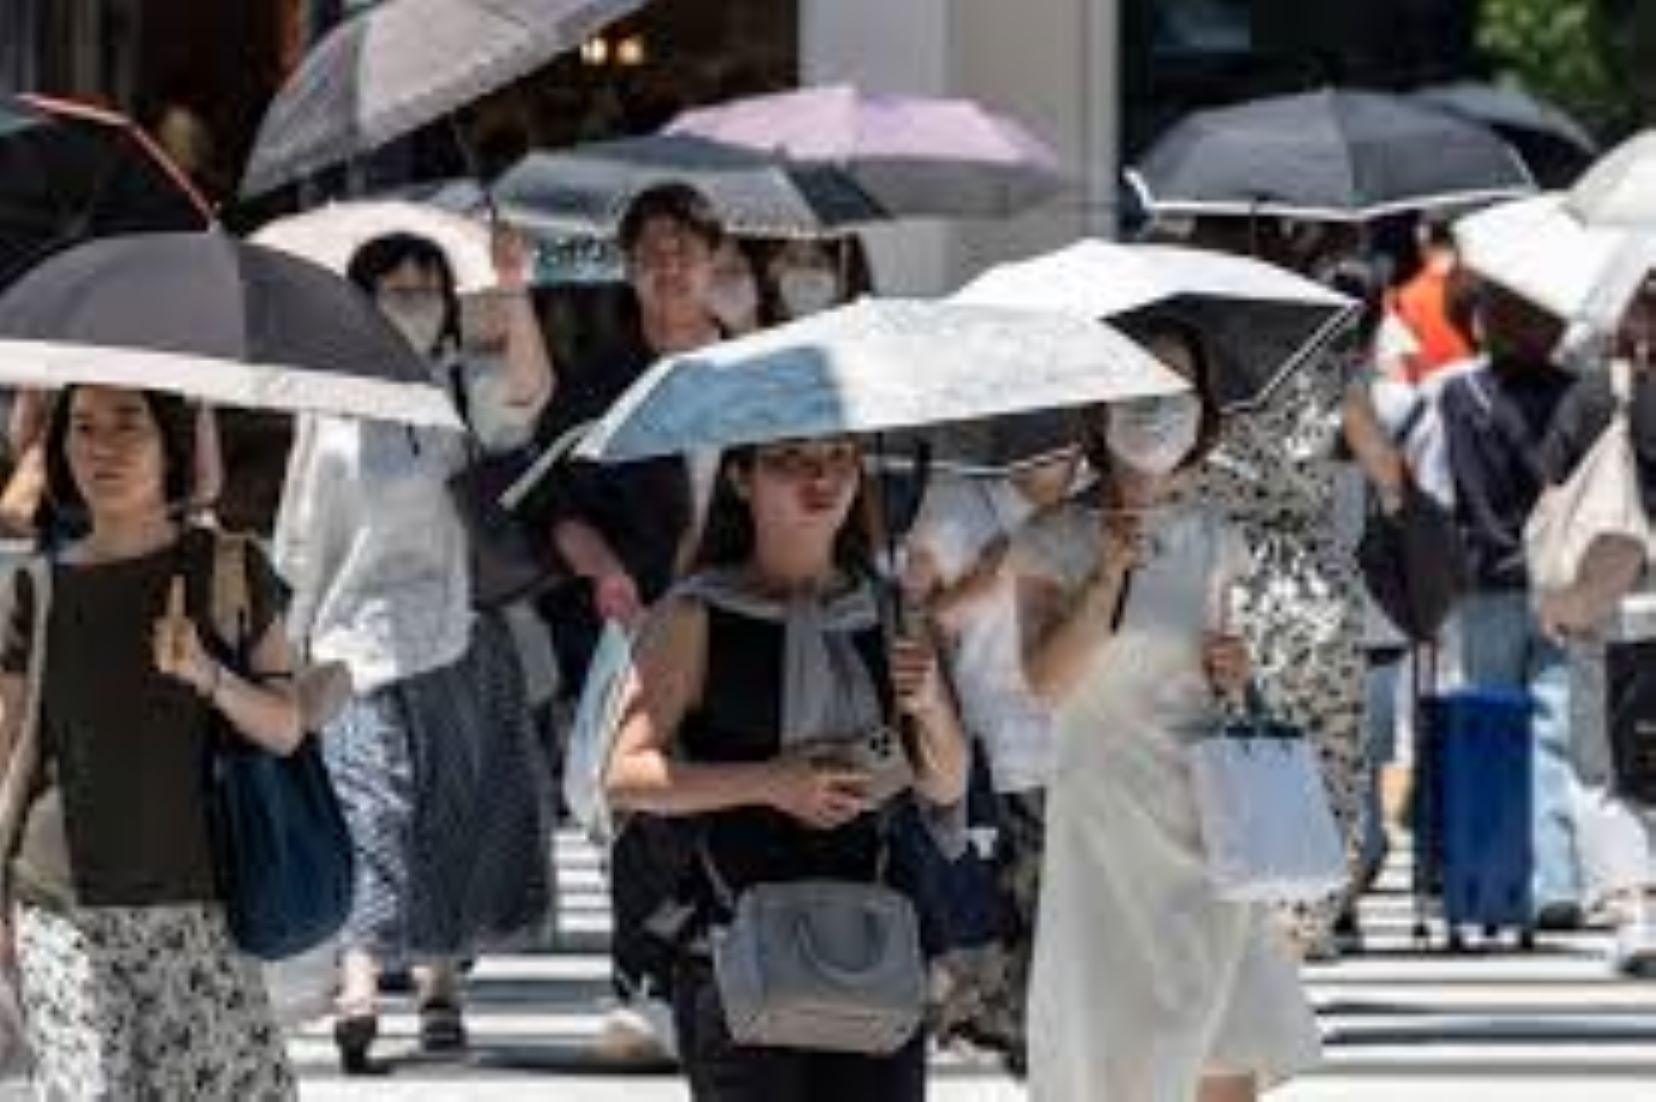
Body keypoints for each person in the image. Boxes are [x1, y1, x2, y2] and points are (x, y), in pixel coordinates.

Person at [604, 434, 969, 1101]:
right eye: (789, 459)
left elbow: (944, 784)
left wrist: (932, 705)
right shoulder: (696, 613)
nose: (820, 476)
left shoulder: (890, 612)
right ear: (741, 479)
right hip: (737, 946)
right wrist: (773, 782)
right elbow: (625, 774)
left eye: (838, 457)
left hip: (873, 941)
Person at [1017, 318, 1321, 1102]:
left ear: (1202, 415)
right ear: (1100, 409)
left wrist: (1235, 674)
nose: (1156, 411)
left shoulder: (1216, 540)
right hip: (1105, 833)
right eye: (1136, 390)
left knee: (1222, 1051)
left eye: (1176, 392)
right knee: (1120, 1055)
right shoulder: (1052, 538)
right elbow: (1047, 685)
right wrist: (1106, 575)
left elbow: (1224, 681)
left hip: (1208, 822)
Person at [274, 227, 555, 1072]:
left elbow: (532, 394)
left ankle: (440, 986)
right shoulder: (323, 408)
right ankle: (359, 984)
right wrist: (292, 648)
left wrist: (514, 292)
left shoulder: (459, 392)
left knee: (450, 814)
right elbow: (300, 537)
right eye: (393, 289)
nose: (412, 304)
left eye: (426, 289)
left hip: (456, 632)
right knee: (370, 806)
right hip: (353, 640)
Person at [0, 386, 299, 1098]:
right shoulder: (34, 588)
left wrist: (206, 674)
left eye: (128, 423)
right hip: (58, 904)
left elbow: (286, 728)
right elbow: (9, 753)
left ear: (171, 444)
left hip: (196, 910)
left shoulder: (228, 569)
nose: (102, 445)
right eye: (82, 427)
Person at [527, 182, 727, 1061]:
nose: (667, 265)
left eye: (682, 247)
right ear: (630, 267)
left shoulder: (757, 365)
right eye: (648, 250)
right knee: (640, 793)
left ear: (715, 257)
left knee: (731, 781)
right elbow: (554, 506)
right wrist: (602, 568)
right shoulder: (601, 381)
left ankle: (722, 967)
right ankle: (640, 986)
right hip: (641, 613)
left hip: (745, 608)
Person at [900, 418, 1081, 1067]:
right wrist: (996, 574)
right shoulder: (956, 500)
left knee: (1072, 961)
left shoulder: (1100, 500)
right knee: (1000, 950)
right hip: (988, 757)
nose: (1052, 444)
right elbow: (912, 621)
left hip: (1083, 758)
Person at [1439, 281, 1585, 929]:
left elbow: (1466, 493)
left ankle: (1495, 875)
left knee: (1491, 730)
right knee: (1557, 733)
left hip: (1487, 580)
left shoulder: (1460, 393)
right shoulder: (1580, 395)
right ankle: (1557, 877)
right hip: (1563, 577)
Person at [1541, 271, 1656, 972]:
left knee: (1609, 770)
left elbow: (1554, 491)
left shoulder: (1595, 397)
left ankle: (1637, 911)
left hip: (1617, 609)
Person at [1385, 213, 1477, 384]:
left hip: (1433, 384)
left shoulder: (1402, 296)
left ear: (1424, 248)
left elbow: (1401, 357)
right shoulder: (1479, 283)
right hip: (1477, 380)